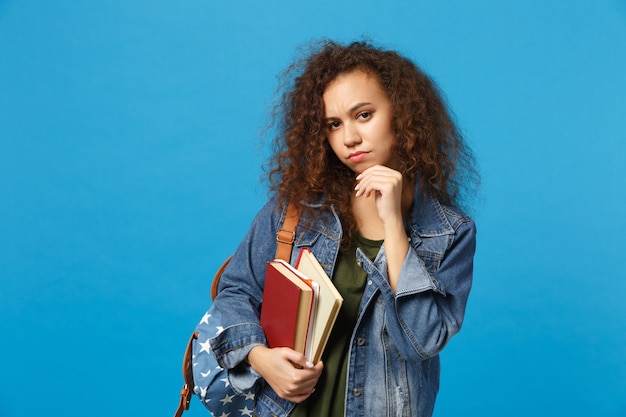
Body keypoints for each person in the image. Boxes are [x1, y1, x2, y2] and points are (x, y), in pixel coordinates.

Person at [209, 40, 478, 417]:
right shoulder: (297, 209)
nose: (349, 138)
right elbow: (236, 289)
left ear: (401, 114)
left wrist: (394, 225)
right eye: (334, 124)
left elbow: (422, 341)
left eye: (363, 115)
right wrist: (262, 358)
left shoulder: (449, 232)